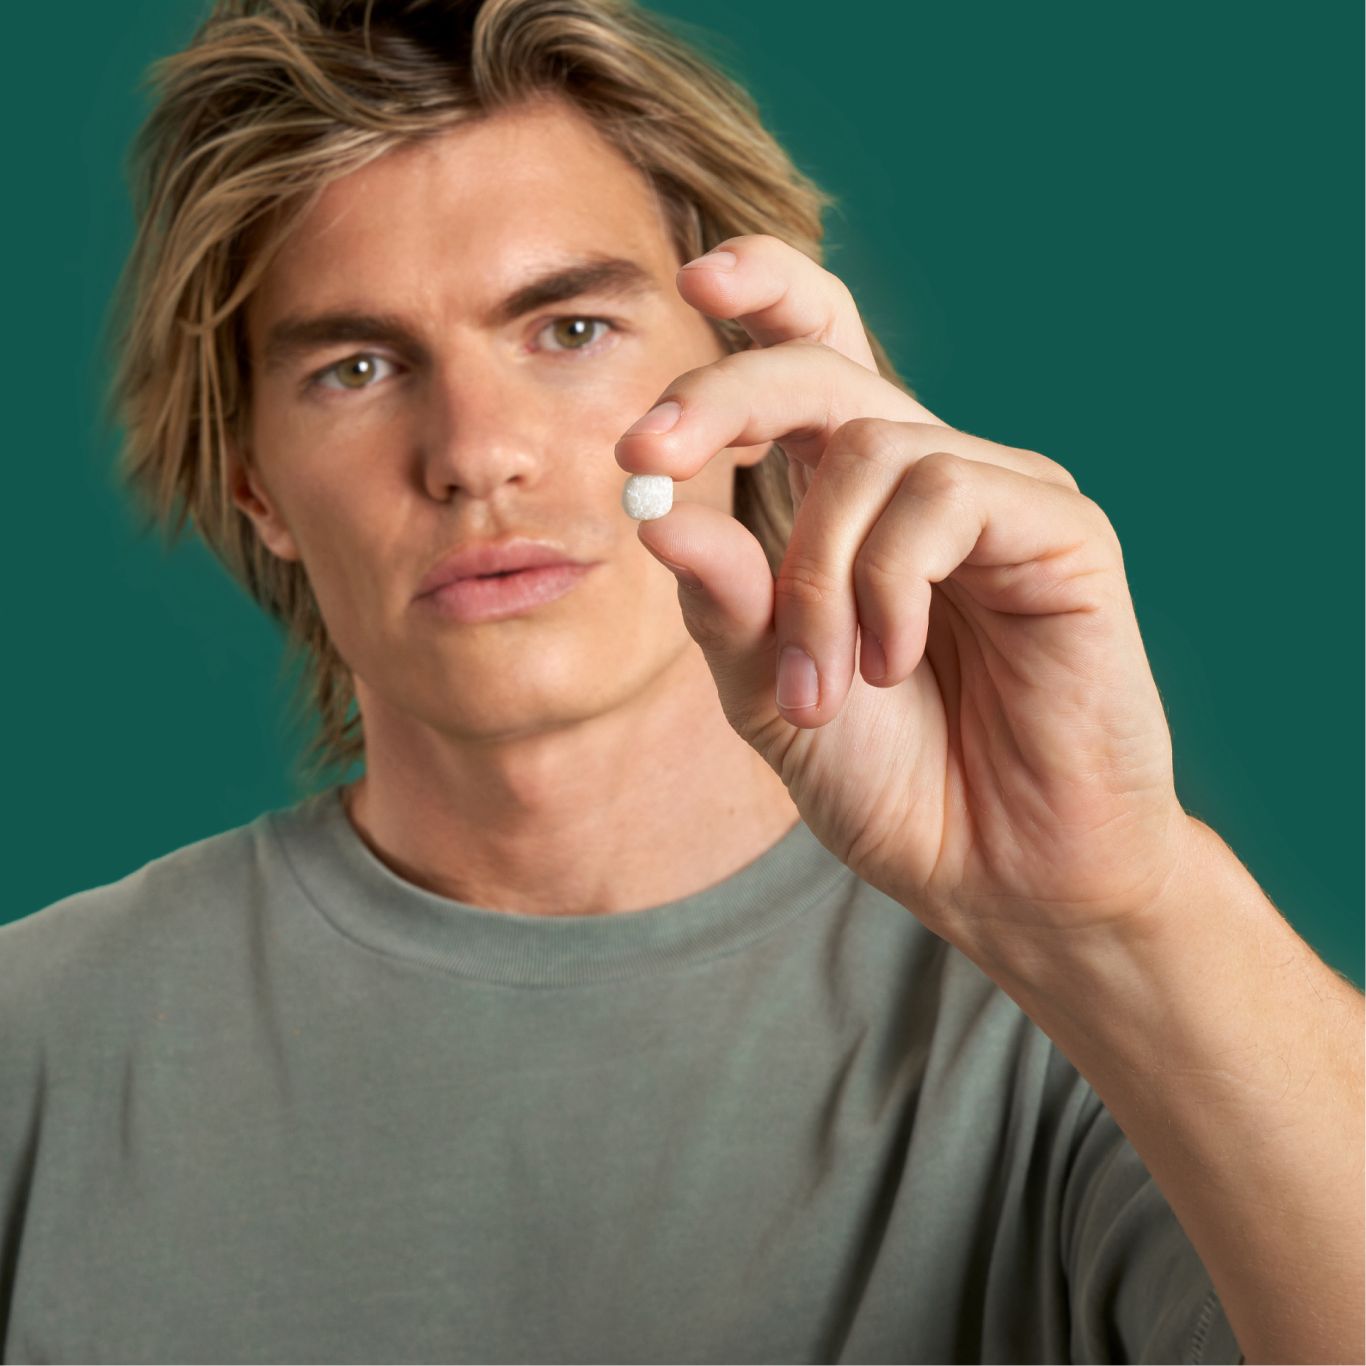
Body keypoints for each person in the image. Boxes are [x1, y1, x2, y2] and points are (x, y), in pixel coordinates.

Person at [1, 0, 1360, 1361]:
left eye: (569, 328)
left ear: (750, 375)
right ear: (257, 487)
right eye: (358, 367)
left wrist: (1125, 906)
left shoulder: (1097, 1019)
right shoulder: (36, 1044)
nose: (477, 451)